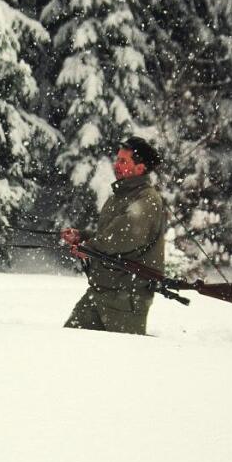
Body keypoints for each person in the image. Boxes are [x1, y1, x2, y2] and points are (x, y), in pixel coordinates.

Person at [61, 137, 166, 335]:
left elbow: (123, 237)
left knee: (122, 361)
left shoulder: (147, 199)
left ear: (140, 168)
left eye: (123, 161)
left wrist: (90, 247)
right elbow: (110, 234)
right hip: (101, 290)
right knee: (70, 344)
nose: (116, 165)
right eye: (117, 160)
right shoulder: (119, 196)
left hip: (126, 298)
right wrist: (82, 237)